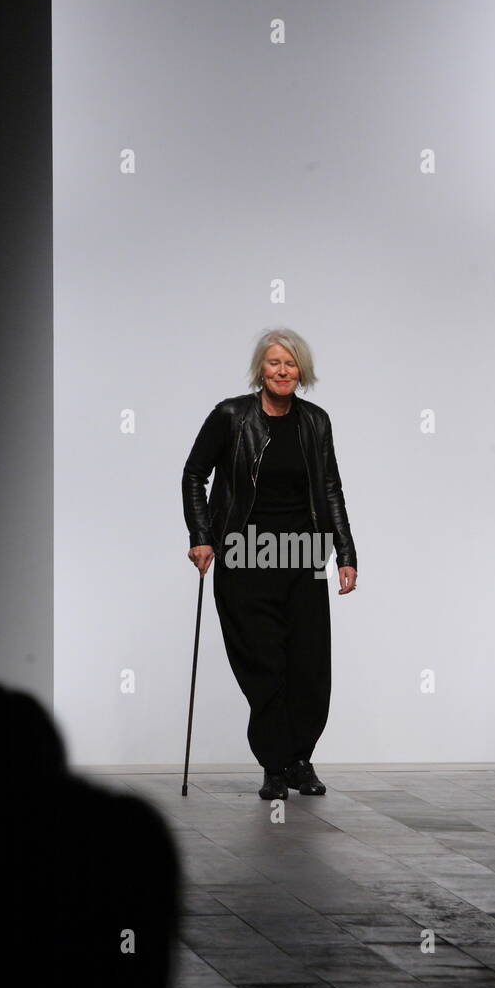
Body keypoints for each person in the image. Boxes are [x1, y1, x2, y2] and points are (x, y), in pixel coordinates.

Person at [182, 328, 358, 800]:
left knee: (309, 665)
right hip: (244, 556)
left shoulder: (315, 422)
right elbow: (195, 472)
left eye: (291, 364)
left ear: (302, 370)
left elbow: (331, 489)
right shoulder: (231, 416)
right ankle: (274, 765)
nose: (282, 371)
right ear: (261, 367)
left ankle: (300, 760)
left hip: (302, 557)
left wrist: (345, 553)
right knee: (264, 664)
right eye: (274, 363)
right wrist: (201, 536)